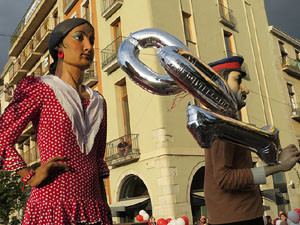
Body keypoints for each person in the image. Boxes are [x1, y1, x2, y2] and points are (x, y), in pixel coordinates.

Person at [0, 18, 112, 224]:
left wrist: (105, 208)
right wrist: (30, 176)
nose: (88, 46)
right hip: (52, 205)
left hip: (95, 209)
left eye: (92, 40)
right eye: (80, 37)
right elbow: (2, 136)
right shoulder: (40, 88)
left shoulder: (99, 101)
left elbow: (97, 160)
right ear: (59, 46)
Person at [204, 56, 300, 225]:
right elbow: (224, 179)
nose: (245, 89)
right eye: (238, 80)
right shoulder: (222, 123)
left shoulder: (227, 120)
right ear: (220, 84)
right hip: (238, 219)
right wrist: (279, 166)